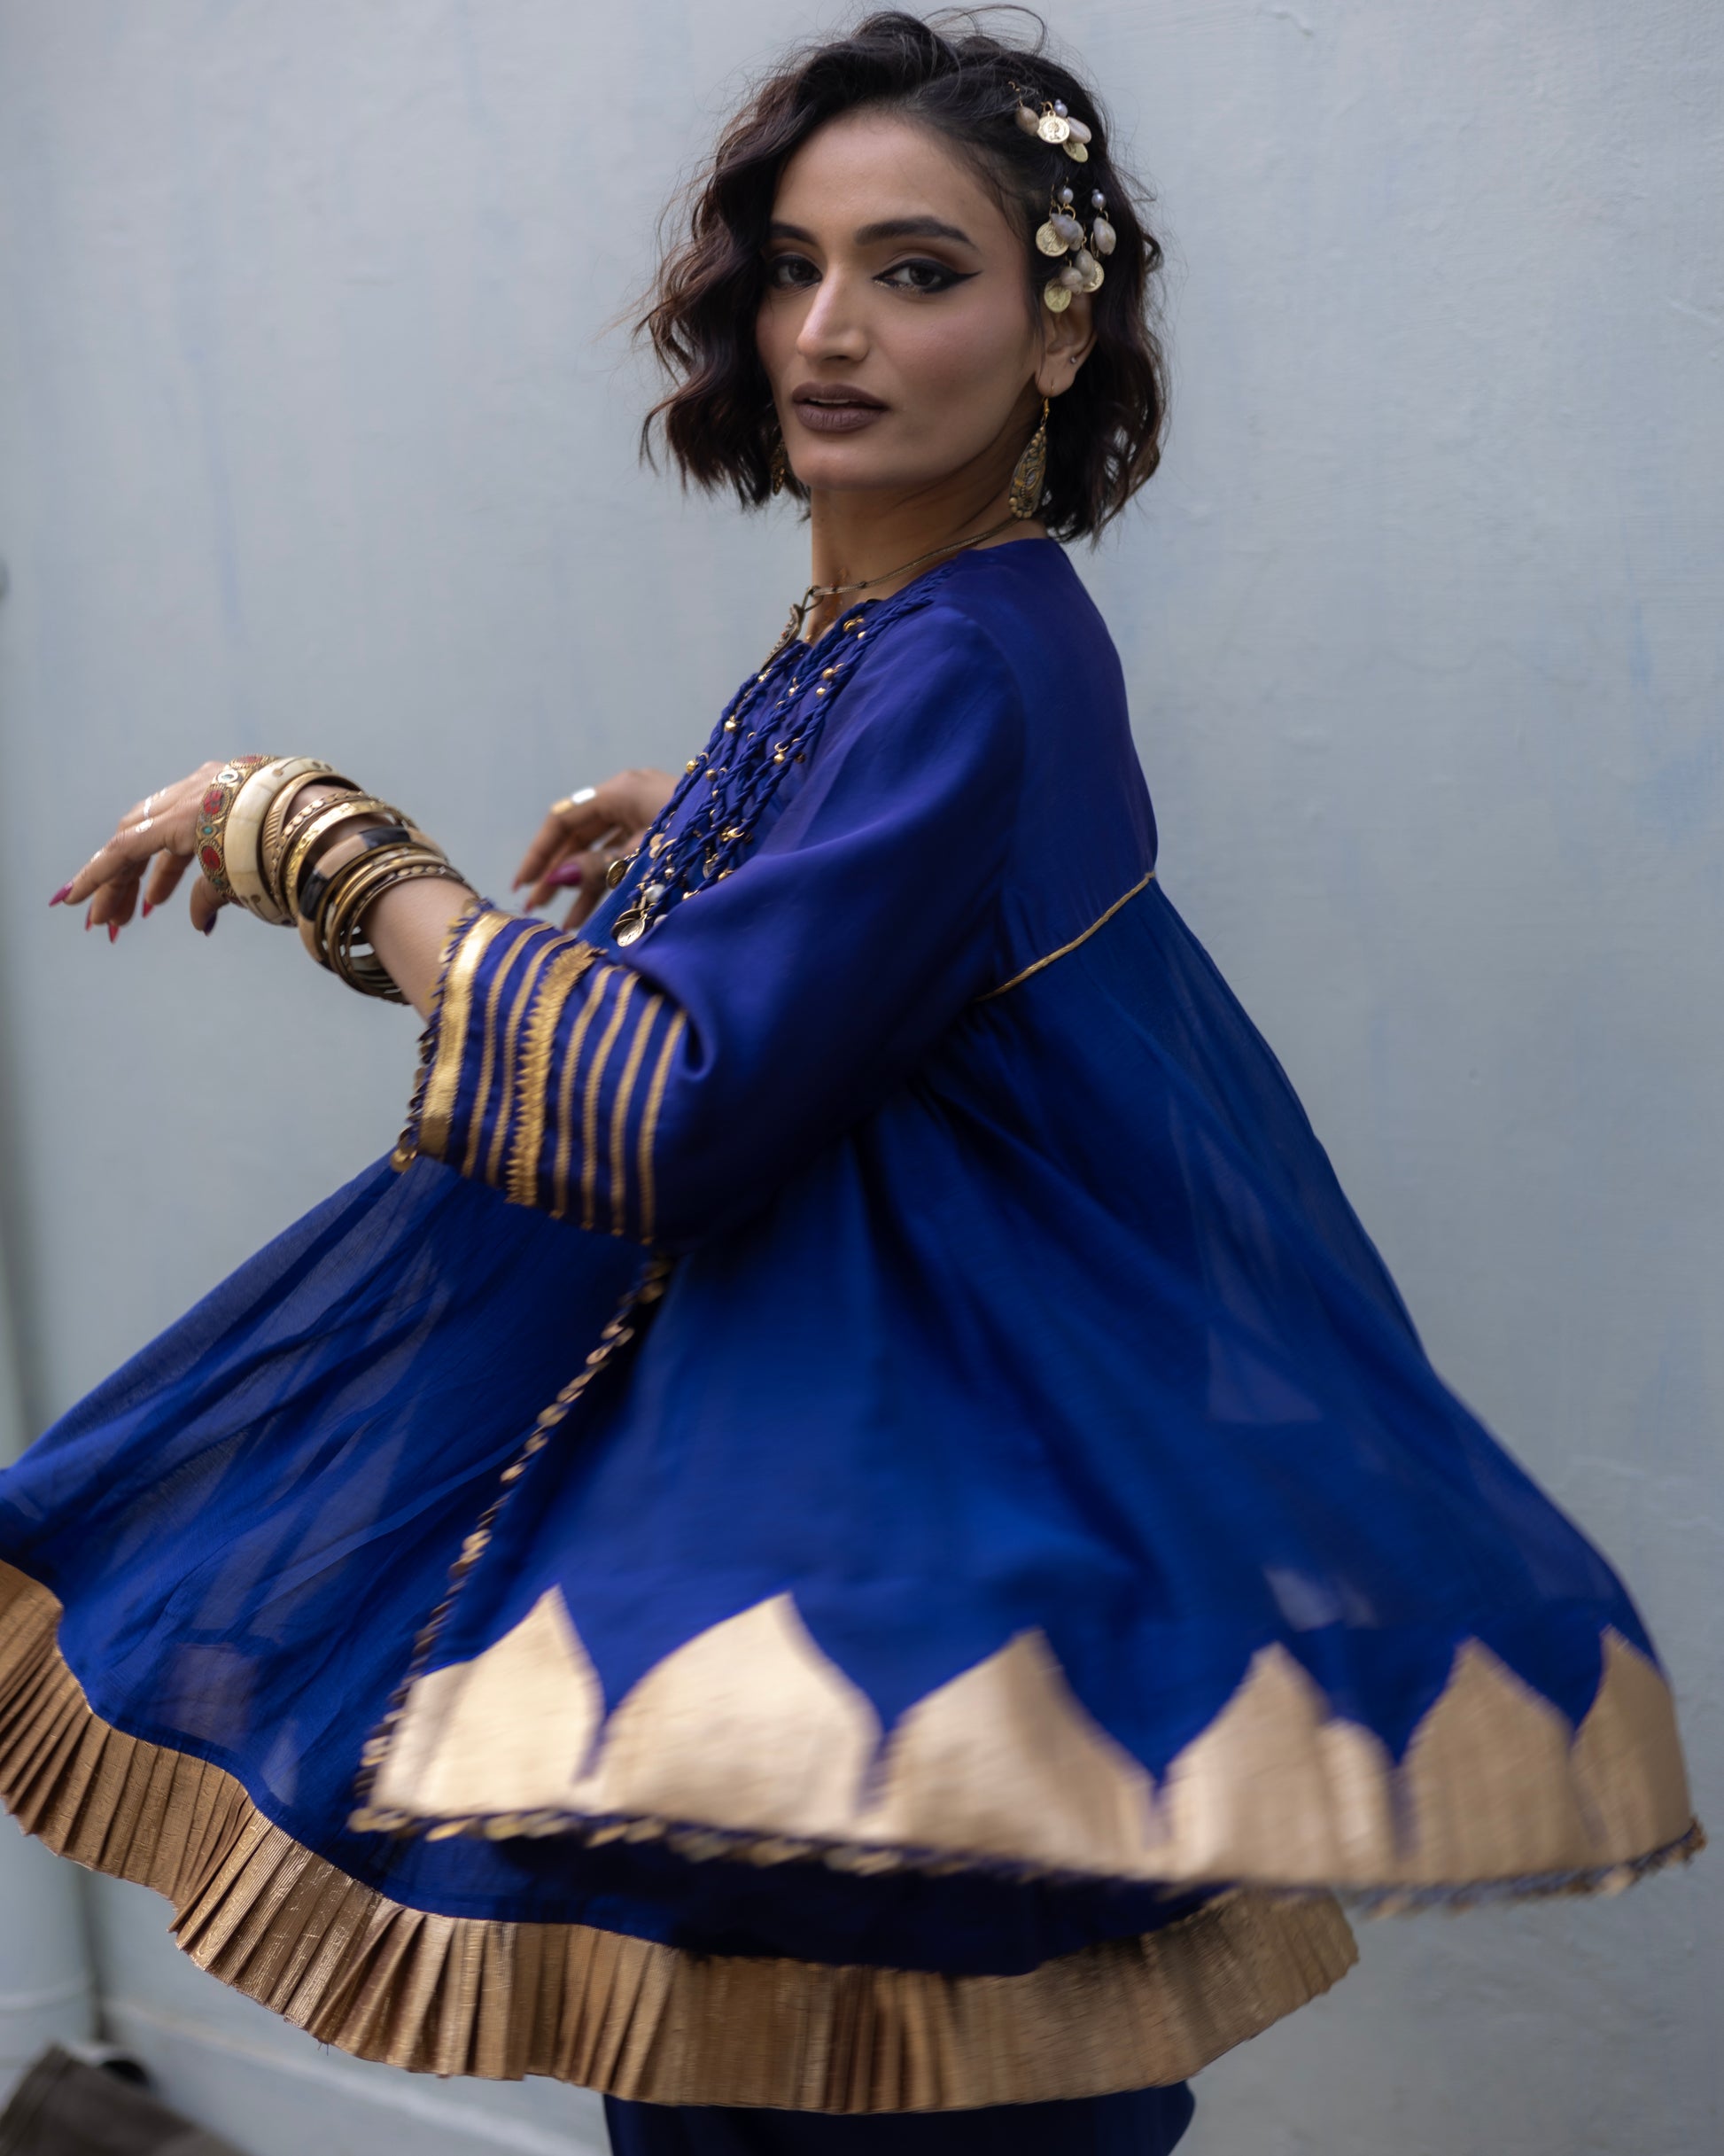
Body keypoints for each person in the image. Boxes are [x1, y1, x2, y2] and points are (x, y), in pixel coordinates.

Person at [0, 14, 1697, 2154]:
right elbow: (930, 930)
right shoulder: (902, 629)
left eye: (917, 270)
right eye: (793, 269)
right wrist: (737, 833)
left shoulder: (963, 654)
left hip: (880, 1558)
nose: (827, 330)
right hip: (847, 1522)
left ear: (1057, 330)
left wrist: (325, 843)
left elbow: (662, 1106)